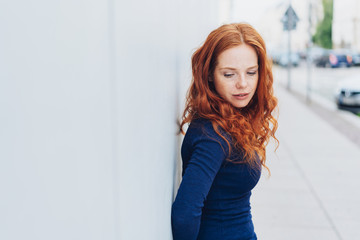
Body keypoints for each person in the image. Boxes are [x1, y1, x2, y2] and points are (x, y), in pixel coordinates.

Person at [171, 23, 278, 240]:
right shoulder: (213, 136)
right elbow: (184, 214)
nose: (243, 84)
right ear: (209, 75)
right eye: (229, 74)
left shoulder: (232, 119)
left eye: (251, 72)